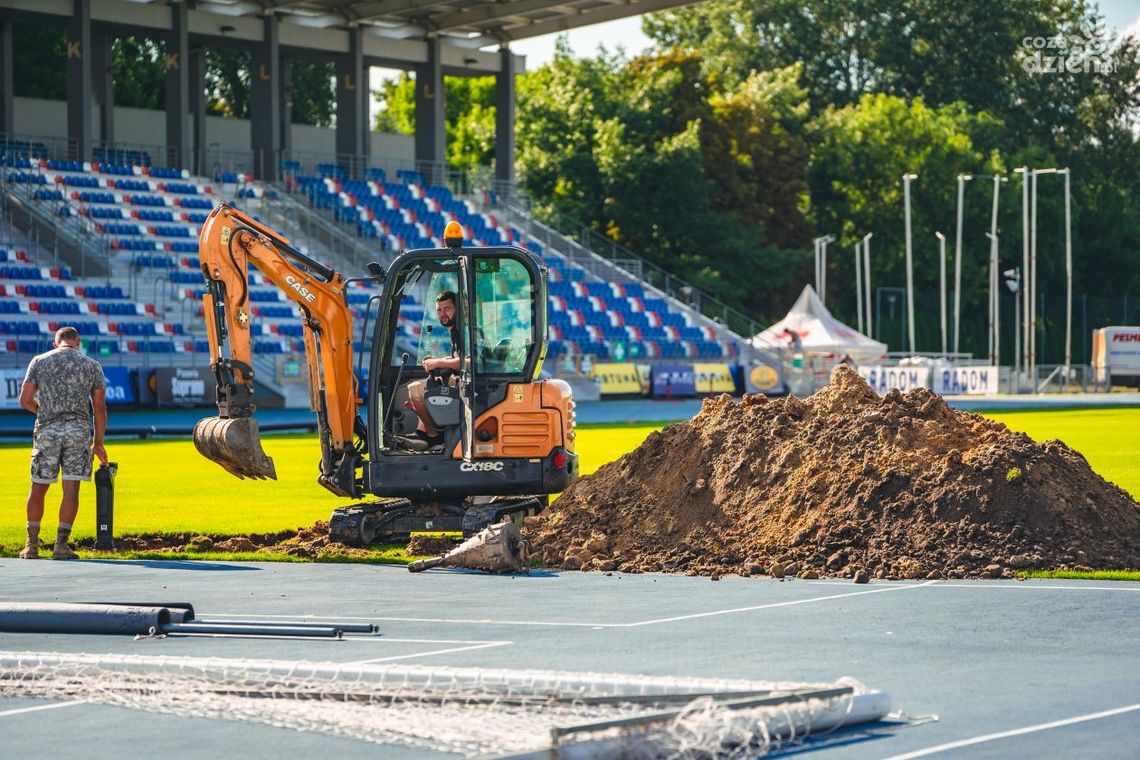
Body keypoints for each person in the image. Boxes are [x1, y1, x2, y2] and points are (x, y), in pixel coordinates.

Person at [18, 326, 109, 559]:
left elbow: (25, 400)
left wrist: (44, 412)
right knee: (71, 489)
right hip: (78, 432)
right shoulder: (91, 365)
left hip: (47, 430)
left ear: (55, 343)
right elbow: (99, 408)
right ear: (78, 342)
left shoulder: (39, 361)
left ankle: (31, 545)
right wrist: (98, 443)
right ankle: (61, 545)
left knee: (38, 487)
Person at [399, 291, 461, 449]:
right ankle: (425, 433)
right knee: (426, 385)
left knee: (416, 390)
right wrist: (439, 362)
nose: (443, 314)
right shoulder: (455, 332)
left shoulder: (464, 332)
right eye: (439, 310)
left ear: (458, 308)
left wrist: (439, 362)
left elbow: (469, 362)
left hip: (469, 384)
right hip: (462, 380)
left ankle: (434, 436)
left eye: (447, 308)